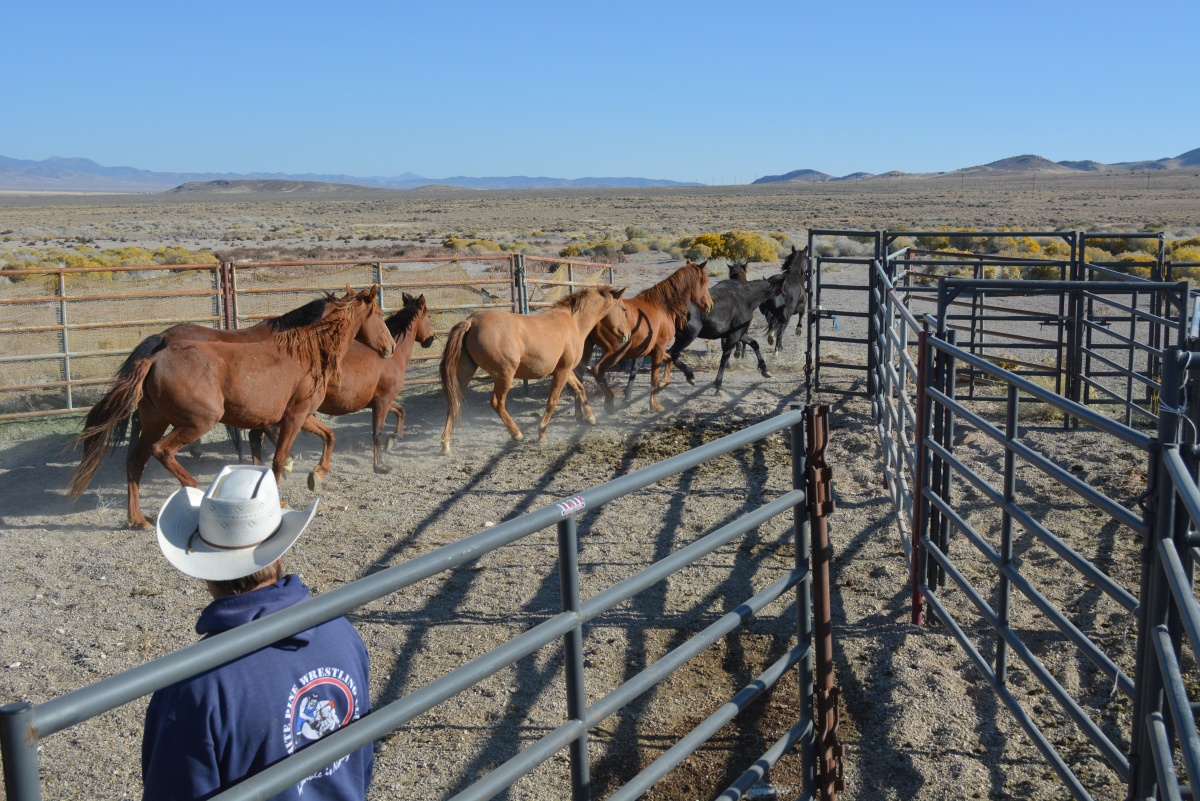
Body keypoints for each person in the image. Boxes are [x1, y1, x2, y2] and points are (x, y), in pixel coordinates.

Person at [141, 465, 373, 800]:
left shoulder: (193, 685)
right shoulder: (341, 633)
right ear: (280, 552)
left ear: (204, 570)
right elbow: (360, 762)